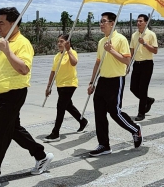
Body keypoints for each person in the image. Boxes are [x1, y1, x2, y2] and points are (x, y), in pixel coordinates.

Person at [0, 7, 54, 187]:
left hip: (14, 94)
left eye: (1, 23)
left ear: (13, 24)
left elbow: (23, 69)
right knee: (13, 129)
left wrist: (7, 51)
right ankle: (41, 155)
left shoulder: (23, 43)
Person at [88, 12, 142, 157]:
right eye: (100, 21)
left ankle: (135, 129)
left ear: (112, 23)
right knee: (99, 114)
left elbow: (127, 61)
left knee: (115, 112)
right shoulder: (101, 42)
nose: (101, 24)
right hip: (102, 81)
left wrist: (111, 50)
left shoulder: (120, 39)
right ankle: (104, 145)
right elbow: (98, 63)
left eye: (104, 21)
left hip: (115, 80)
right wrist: (92, 82)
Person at [43, 34, 89, 142]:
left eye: (61, 41)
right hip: (60, 85)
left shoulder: (72, 52)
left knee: (60, 106)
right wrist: (48, 86)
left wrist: (68, 50)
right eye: (58, 41)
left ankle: (55, 132)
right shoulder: (57, 56)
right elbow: (53, 72)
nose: (59, 43)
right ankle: (83, 121)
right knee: (68, 105)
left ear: (67, 43)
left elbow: (74, 63)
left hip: (69, 84)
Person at [130, 14, 158, 121]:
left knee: (143, 89)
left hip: (147, 64)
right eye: (137, 21)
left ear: (146, 22)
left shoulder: (151, 34)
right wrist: (128, 65)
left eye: (141, 21)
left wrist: (144, 43)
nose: (138, 23)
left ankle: (141, 113)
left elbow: (155, 50)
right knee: (133, 88)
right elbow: (131, 51)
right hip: (137, 64)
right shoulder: (134, 35)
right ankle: (148, 100)